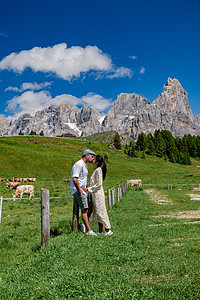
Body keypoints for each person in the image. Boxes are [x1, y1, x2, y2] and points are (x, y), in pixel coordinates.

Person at [83, 155, 113, 236]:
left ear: (97, 162)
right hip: (95, 194)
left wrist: (88, 189)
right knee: (97, 211)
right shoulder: (96, 170)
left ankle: (108, 230)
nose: (92, 159)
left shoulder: (98, 170)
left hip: (98, 193)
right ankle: (100, 231)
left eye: (94, 159)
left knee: (101, 211)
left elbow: (99, 184)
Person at [70, 149, 97, 236]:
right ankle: (89, 231)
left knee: (90, 207)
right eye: (91, 156)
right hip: (78, 190)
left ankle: (84, 225)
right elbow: (75, 179)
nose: (92, 159)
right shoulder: (79, 164)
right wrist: (79, 191)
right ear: (87, 155)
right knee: (84, 209)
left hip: (83, 189)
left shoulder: (85, 165)